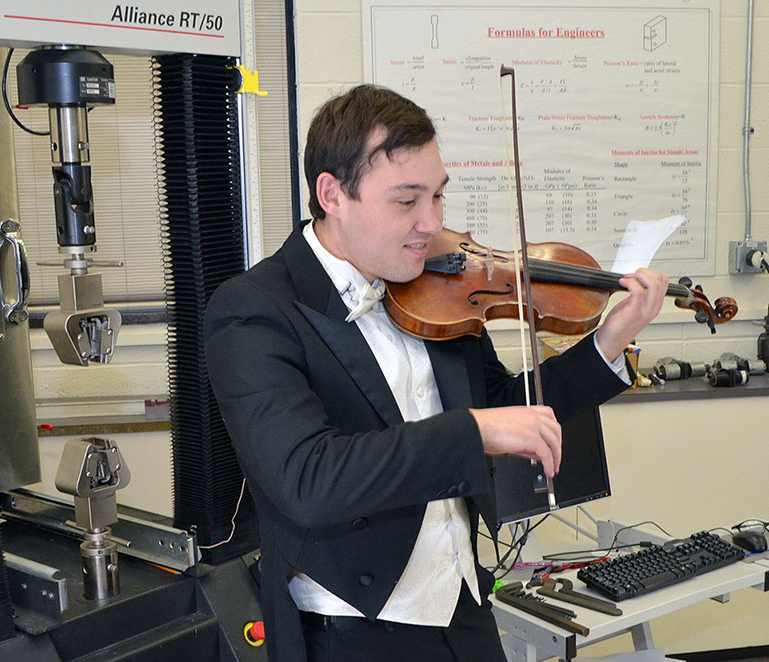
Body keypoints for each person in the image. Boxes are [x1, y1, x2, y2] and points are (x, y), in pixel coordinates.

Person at [204, 84, 668, 662]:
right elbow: (308, 479)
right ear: (332, 194)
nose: (431, 223)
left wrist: (608, 341)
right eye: (406, 201)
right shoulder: (256, 309)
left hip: (464, 605)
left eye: (438, 197)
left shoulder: (435, 288)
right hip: (352, 631)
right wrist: (475, 432)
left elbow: (506, 406)